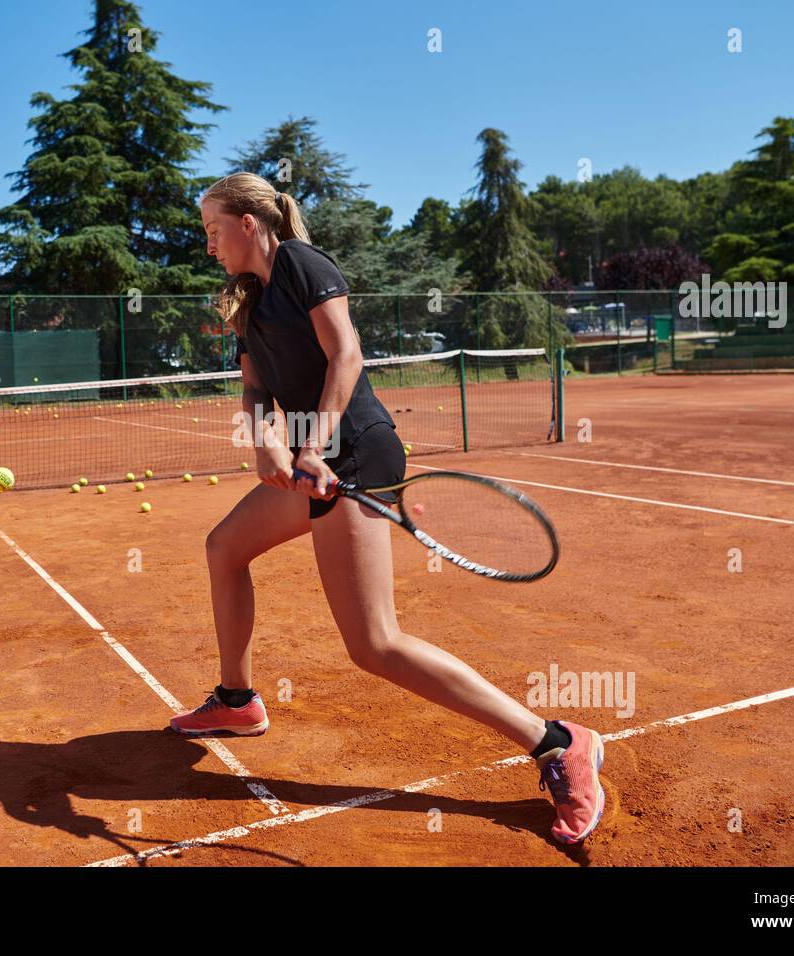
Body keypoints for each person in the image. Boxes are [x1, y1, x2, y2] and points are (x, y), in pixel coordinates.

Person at [169, 173, 605, 844]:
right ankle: (236, 701)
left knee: (374, 644)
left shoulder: (302, 264)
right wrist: (268, 448)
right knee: (225, 547)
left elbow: (346, 354)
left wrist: (313, 444)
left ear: (250, 223)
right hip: (319, 465)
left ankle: (556, 741)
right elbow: (256, 391)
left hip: (360, 454)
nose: (208, 245)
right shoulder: (250, 302)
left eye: (212, 229)